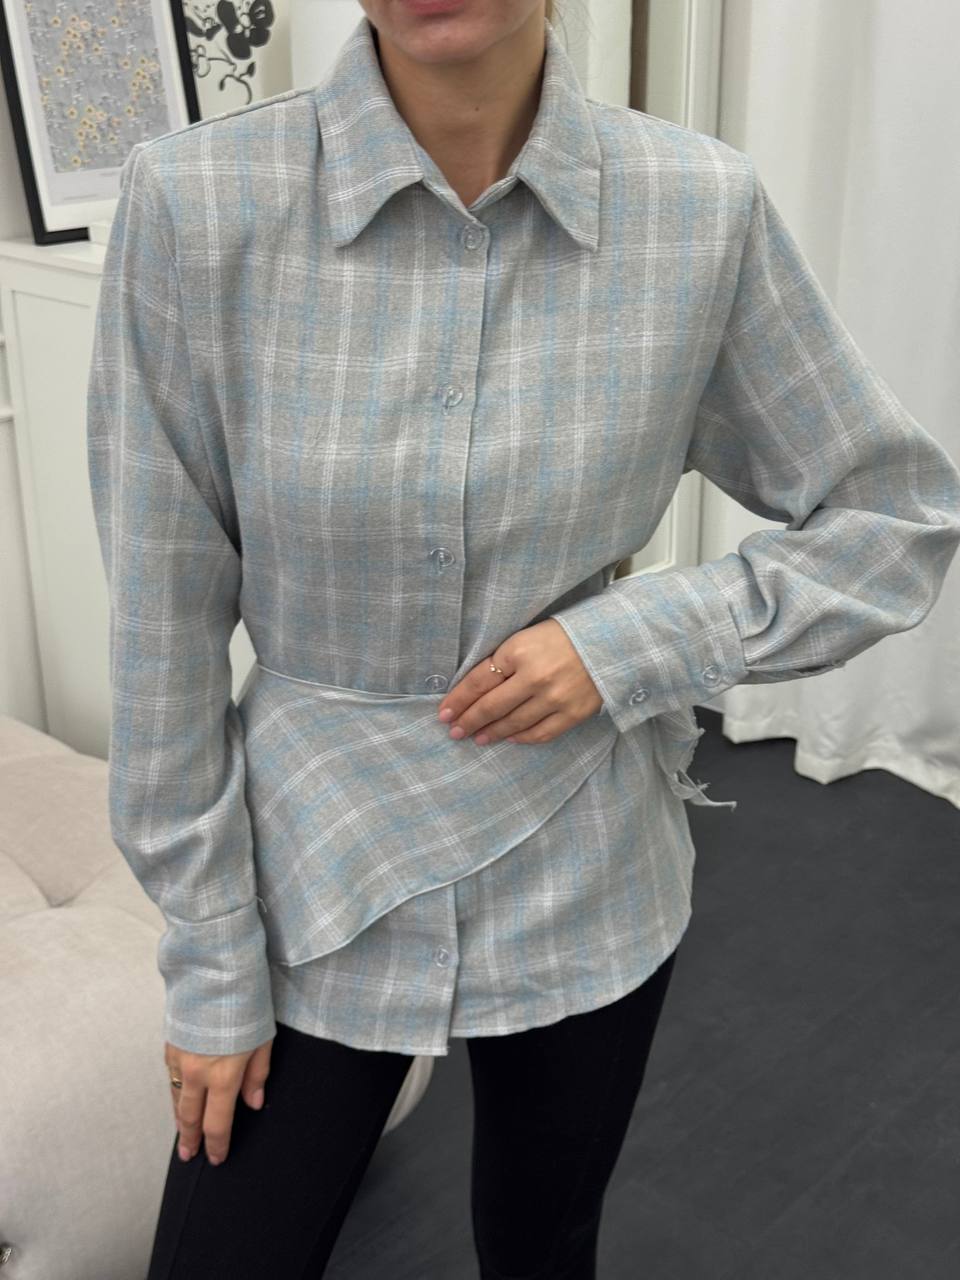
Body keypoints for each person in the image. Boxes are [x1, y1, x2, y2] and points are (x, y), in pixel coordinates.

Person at [85, 1, 960, 1276]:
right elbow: (158, 623)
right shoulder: (196, 202)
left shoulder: (696, 209)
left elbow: (896, 514)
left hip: (586, 855)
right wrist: (212, 958)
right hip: (315, 865)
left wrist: (635, 638)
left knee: (546, 1246)